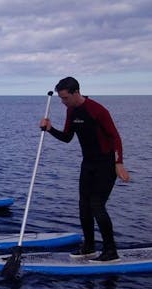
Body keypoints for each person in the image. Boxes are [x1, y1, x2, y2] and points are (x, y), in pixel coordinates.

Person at [40, 77, 130, 262]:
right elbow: (66, 137)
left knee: (97, 205)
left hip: (106, 164)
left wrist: (119, 162)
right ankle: (89, 247)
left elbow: (115, 137)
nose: (63, 102)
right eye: (61, 98)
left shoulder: (97, 110)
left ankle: (110, 251)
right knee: (84, 206)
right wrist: (50, 129)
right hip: (88, 163)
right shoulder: (71, 111)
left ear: (75, 92)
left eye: (65, 98)